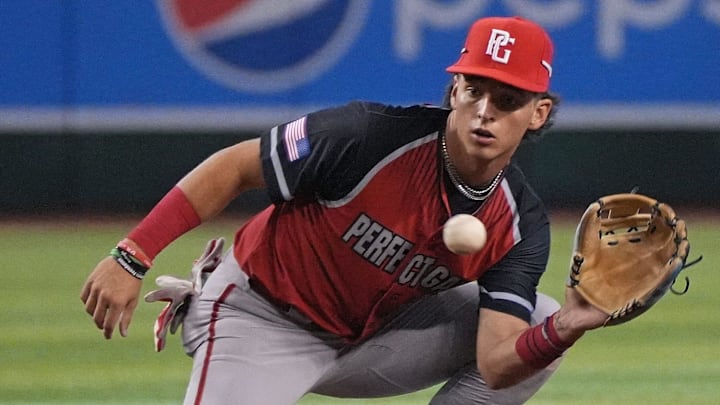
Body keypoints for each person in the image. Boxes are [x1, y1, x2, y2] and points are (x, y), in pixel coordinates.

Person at [81, 16, 607, 404]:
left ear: (538, 114)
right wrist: (133, 254)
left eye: (508, 100)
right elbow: (234, 167)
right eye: (474, 90)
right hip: (262, 317)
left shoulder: (519, 223)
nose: (485, 112)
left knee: (539, 320)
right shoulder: (367, 137)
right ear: (454, 90)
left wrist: (571, 325)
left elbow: (496, 365)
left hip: (379, 338)